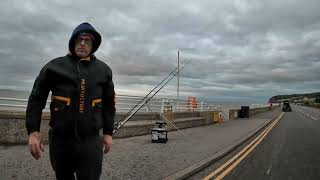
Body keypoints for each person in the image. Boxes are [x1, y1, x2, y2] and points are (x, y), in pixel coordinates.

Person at [25, 22, 116, 180]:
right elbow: (36, 99)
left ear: (93, 45)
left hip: (90, 139)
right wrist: (33, 131)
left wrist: (108, 133)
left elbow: (109, 105)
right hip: (60, 140)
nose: (82, 43)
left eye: (88, 40)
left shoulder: (104, 71)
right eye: (79, 39)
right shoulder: (53, 67)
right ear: (73, 41)